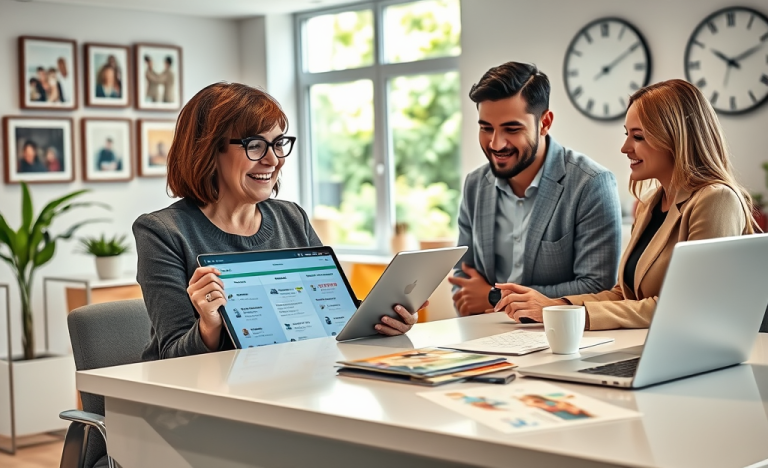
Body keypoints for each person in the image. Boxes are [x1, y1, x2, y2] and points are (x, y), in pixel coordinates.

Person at [133, 83, 422, 361]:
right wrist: (208, 326)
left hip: (294, 379)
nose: (273, 160)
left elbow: (334, 319)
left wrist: (384, 321)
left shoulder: (291, 217)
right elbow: (170, 357)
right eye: (256, 145)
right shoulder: (162, 233)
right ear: (208, 150)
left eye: (278, 143)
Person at [493, 79, 756, 330]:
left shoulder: (716, 200)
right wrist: (555, 306)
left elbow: (691, 307)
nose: (624, 147)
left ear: (675, 138)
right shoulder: (651, 205)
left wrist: (573, 315)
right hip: (643, 344)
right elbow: (624, 294)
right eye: (627, 134)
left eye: (638, 137)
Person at [448, 62, 622, 317]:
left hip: (559, 338)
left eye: (512, 129)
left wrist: (492, 297)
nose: (496, 143)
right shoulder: (475, 184)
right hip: (483, 335)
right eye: (486, 128)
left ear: (545, 123)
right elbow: (464, 279)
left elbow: (596, 286)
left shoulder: (591, 184)